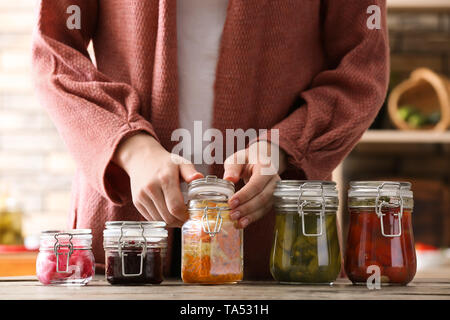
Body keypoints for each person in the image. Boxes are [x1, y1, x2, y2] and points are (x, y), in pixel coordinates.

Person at [31, 0, 389, 279]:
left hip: (278, 243)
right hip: (122, 232)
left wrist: (283, 146)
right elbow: (53, 48)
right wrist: (129, 145)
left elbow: (362, 67)